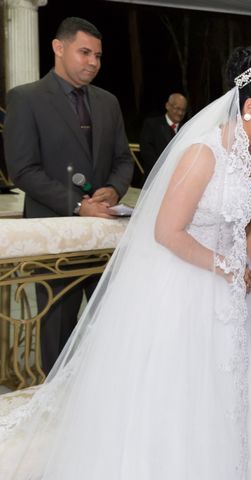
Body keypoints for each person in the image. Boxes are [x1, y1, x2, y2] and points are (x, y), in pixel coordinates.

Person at [0, 45, 251, 480]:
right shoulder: (201, 154)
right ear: (249, 107)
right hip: (190, 282)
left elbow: (244, 218)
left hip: (236, 287)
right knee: (185, 396)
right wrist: (225, 266)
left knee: (246, 394)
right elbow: (166, 232)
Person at [3, 17, 133, 373]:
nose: (93, 61)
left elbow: (124, 160)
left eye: (98, 55)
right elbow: (23, 170)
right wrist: (78, 206)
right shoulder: (25, 99)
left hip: (104, 240)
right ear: (58, 48)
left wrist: (113, 188)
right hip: (53, 240)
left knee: (114, 326)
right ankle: (57, 414)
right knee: (57, 335)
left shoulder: (108, 102)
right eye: (85, 52)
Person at [139, 92, 188, 182]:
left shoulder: (187, 129)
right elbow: (147, 153)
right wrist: (166, 172)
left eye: (183, 110)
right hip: (155, 180)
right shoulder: (151, 125)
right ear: (167, 106)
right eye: (177, 108)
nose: (180, 113)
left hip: (179, 181)